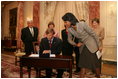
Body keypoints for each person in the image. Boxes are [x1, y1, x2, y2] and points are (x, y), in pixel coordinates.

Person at [62, 13, 101, 78]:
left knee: (93, 64)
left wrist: (99, 45)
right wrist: (76, 44)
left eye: (66, 22)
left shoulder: (82, 24)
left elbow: (93, 34)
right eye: (64, 22)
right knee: (84, 64)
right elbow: (69, 40)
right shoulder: (69, 29)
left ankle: (97, 75)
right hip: (82, 46)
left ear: (70, 20)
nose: (65, 24)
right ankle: (86, 76)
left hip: (91, 43)